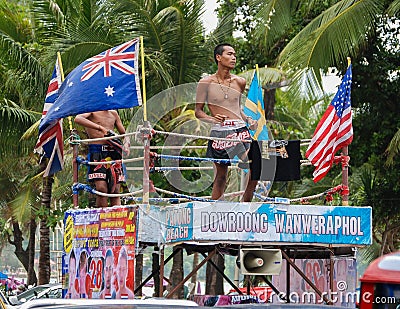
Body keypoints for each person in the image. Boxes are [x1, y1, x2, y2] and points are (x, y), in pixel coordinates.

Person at [195, 43, 259, 202]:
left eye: (235, 55)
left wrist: (249, 120)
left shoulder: (240, 82)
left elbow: (237, 108)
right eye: (229, 54)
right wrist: (212, 119)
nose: (233, 58)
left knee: (254, 167)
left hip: (240, 130)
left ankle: (246, 207)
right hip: (220, 133)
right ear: (218, 57)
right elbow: (198, 111)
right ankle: (215, 211)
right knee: (221, 177)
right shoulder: (206, 83)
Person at [74, 110, 130, 207]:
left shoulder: (113, 113)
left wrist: (126, 144)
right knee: (101, 189)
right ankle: (103, 217)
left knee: (115, 190)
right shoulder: (91, 111)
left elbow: (124, 134)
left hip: (114, 151)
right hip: (97, 152)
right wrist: (99, 127)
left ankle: (116, 218)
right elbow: (78, 119)